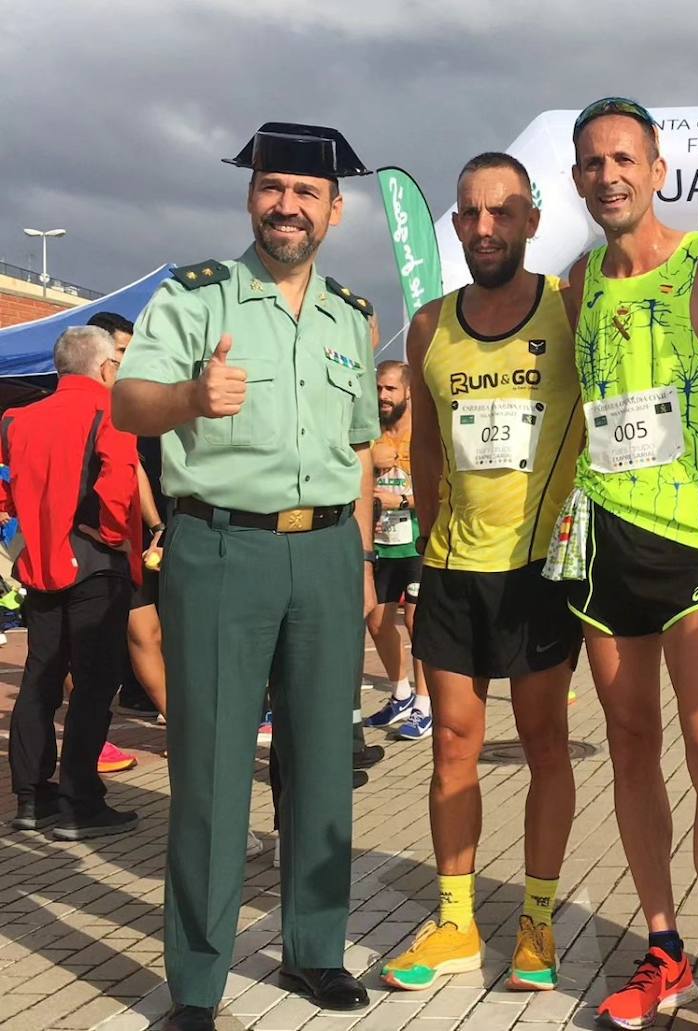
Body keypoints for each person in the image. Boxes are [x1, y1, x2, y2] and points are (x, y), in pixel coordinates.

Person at [112, 122, 379, 1031]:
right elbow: (126, 401)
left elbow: (359, 451)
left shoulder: (351, 313)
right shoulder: (195, 299)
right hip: (222, 547)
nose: (287, 205)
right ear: (251, 196)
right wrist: (191, 397)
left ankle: (315, 948)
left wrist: (365, 562)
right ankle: (196, 980)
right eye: (273, 187)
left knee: (321, 763)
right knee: (215, 767)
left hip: (329, 549)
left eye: (307, 192)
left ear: (335, 210)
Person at [552, 97, 698, 1031]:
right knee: (631, 746)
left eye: (624, 158)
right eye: (592, 162)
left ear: (656, 168)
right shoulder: (576, 282)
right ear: (577, 180)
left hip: (694, 547)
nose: (608, 174)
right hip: (606, 544)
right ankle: (665, 948)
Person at [380, 152, 583, 994]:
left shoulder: (571, 307)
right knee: (453, 749)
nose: (484, 227)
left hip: (540, 568)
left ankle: (536, 920)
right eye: (468, 213)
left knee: (543, 746)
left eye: (502, 211)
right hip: (455, 569)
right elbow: (426, 444)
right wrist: (431, 545)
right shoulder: (429, 325)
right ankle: (457, 920)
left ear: (532, 219)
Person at [2, 325, 142, 839]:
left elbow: (7, 490)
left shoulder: (17, 419)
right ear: (105, 367)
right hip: (93, 561)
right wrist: (108, 535)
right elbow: (119, 482)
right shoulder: (110, 410)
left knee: (40, 679)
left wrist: (30, 529)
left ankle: (32, 798)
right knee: (95, 683)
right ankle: (81, 799)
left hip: (38, 561)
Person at [89, 311, 171, 723]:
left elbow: (137, 471)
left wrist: (157, 527)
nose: (129, 360)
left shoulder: (135, 404)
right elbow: (132, 470)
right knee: (82, 644)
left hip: (133, 540)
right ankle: (90, 736)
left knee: (147, 631)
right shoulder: (103, 410)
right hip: (92, 548)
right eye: (123, 351)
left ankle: (179, 725)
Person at [362, 361, 431, 740]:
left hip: (416, 541)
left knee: (418, 622)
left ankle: (424, 704)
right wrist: (371, 466)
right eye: (379, 389)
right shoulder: (369, 434)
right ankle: (400, 694)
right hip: (382, 544)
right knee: (376, 621)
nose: (382, 396)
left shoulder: (424, 435)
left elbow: (441, 490)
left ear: (408, 392)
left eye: (390, 389)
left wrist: (401, 500)